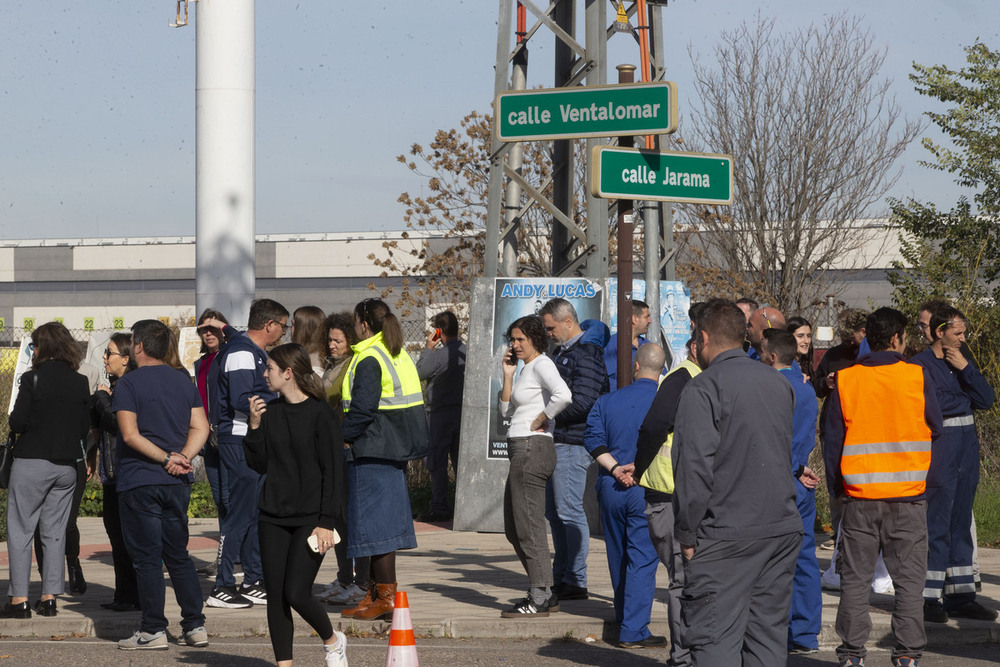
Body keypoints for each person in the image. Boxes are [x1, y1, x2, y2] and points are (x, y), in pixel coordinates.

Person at [671, 299, 802, 666]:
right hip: (780, 528)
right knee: (766, 641)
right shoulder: (779, 384)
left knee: (714, 641)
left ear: (704, 337)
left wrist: (687, 535)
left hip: (727, 534)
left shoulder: (703, 388)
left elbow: (692, 470)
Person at [824, 307, 942, 667]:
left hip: (859, 499)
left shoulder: (846, 380)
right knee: (908, 583)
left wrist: (837, 491)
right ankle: (907, 654)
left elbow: (832, 442)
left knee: (856, 581)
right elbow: (935, 427)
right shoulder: (917, 377)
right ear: (896, 339)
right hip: (907, 499)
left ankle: (852, 654)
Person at [244, 343, 348, 667]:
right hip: (272, 515)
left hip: (311, 518)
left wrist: (327, 521)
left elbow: (334, 471)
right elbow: (258, 464)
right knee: (275, 595)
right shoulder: (270, 412)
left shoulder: (321, 414)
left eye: (270, 368)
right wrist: (255, 426)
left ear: (287, 373)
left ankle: (333, 641)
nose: (265, 374)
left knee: (296, 592)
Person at [113, 319, 211, 650]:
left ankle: (153, 628)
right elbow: (201, 427)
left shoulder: (128, 384)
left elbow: (129, 434)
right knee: (178, 554)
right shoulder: (183, 379)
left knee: (148, 559)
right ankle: (195, 626)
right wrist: (181, 457)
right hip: (176, 481)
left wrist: (165, 458)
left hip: (140, 480)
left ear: (137, 347)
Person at [340, 298, 429, 622]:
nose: (353, 327)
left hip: (372, 449)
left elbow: (363, 409)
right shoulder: (395, 352)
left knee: (376, 529)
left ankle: (385, 598)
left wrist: (342, 436)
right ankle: (376, 594)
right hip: (391, 448)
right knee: (380, 527)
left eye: (354, 321)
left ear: (364, 323)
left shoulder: (369, 358)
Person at [909, 304, 997, 622]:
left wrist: (966, 370)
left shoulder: (962, 360)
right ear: (939, 331)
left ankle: (961, 597)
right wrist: (966, 397)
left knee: (961, 527)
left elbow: (986, 399)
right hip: (940, 456)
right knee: (937, 526)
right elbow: (934, 403)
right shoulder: (918, 364)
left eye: (963, 332)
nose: (963, 338)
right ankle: (928, 598)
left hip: (966, 457)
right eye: (957, 333)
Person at [2, 322, 91, 620]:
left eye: (34, 345)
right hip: (66, 467)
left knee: (20, 530)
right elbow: (82, 428)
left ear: (44, 348)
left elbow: (17, 423)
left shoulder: (32, 379)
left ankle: (19, 599)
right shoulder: (80, 382)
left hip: (31, 462)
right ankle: (50, 597)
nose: (33, 349)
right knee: (54, 533)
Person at [584, 343, 666, 648]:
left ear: (635, 367)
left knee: (618, 555)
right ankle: (633, 630)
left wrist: (617, 469)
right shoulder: (666, 402)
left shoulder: (608, 401)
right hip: (648, 487)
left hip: (612, 486)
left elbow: (592, 439)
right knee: (643, 559)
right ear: (662, 370)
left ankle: (624, 617)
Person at [209, 298, 289, 608]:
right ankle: (222, 585)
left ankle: (253, 579)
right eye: (282, 326)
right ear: (269, 325)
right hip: (240, 439)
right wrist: (281, 399)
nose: (283, 332)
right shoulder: (242, 353)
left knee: (256, 512)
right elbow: (243, 399)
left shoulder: (249, 349)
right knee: (240, 514)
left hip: (253, 440)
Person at [498, 315, 572, 617]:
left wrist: (542, 419)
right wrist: (507, 375)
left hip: (532, 448)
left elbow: (564, 395)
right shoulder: (526, 368)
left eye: (521, 340)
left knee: (528, 526)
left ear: (535, 340)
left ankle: (540, 594)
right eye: (512, 340)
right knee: (514, 528)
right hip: (521, 448)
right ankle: (545, 590)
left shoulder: (542, 364)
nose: (515, 345)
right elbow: (505, 411)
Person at [634, 337, 700, 667]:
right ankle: (683, 658)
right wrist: (641, 466)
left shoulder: (697, 377)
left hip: (682, 496)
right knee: (683, 580)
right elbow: (653, 428)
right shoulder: (683, 378)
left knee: (690, 580)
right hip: (671, 497)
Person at [538, 298, 610, 601]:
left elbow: (585, 402)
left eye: (551, 327)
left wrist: (545, 415)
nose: (549, 333)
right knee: (555, 512)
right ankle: (563, 575)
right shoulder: (565, 352)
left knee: (568, 511)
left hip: (573, 442)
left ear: (568, 321)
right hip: (560, 440)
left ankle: (575, 579)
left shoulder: (587, 354)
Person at [760, 328, 822, 655]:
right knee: (805, 558)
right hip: (801, 480)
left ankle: (776, 635)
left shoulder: (769, 387)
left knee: (771, 562)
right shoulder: (805, 388)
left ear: (771, 356)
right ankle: (806, 633)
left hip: (776, 480)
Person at [318, 312, 369, 606]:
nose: (333, 345)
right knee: (337, 516)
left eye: (338, 340)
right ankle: (344, 577)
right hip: (332, 447)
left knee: (349, 517)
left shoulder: (353, 365)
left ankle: (359, 580)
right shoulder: (332, 365)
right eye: (330, 339)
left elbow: (332, 395)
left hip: (346, 447)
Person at [91, 333, 140, 612]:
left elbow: (115, 421)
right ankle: (125, 594)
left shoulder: (126, 387)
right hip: (113, 474)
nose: (104, 358)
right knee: (117, 537)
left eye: (109, 353)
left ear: (126, 357)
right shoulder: (117, 386)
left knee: (124, 539)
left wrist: (100, 398)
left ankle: (133, 595)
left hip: (123, 474)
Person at [193, 309, 237, 580]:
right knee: (220, 498)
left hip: (228, 435)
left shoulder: (229, 357)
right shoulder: (201, 363)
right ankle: (225, 555)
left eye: (213, 328)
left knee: (232, 499)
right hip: (207, 438)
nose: (208, 334)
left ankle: (234, 557)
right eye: (203, 330)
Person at [415, 310, 467, 522]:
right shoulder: (467, 352)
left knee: (437, 462)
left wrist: (428, 348)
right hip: (463, 413)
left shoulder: (437, 356)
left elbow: (419, 372)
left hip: (439, 415)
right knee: (460, 461)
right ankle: (464, 507)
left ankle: (439, 506)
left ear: (439, 331)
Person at [603, 300, 653, 391]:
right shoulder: (611, 345)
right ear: (634, 319)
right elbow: (606, 380)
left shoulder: (648, 346)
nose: (650, 321)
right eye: (647, 317)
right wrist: (632, 391)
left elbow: (661, 374)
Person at [292, 305, 328, 376]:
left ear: (303, 329)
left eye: (293, 324)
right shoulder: (323, 356)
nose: (291, 329)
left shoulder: (313, 365)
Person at [786, 316, 816, 384]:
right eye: (800, 336)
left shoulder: (806, 362)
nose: (806, 341)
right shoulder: (783, 365)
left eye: (808, 336)